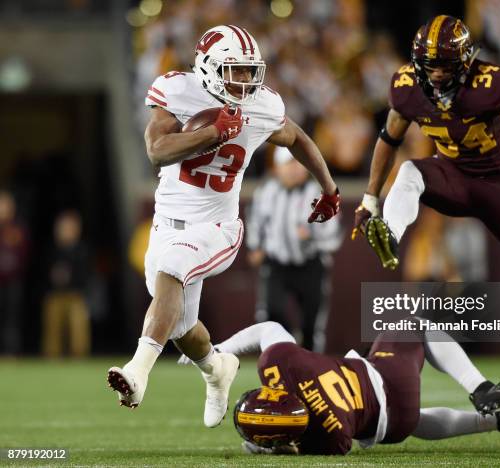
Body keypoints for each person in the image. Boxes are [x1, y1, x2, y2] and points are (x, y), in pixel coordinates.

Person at [107, 25, 340, 429]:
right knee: (181, 327)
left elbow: (296, 137)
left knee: (172, 272)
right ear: (209, 67)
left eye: (251, 71)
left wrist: (329, 187)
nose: (246, 81)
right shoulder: (178, 90)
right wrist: (213, 133)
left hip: (217, 226)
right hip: (166, 224)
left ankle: (138, 371)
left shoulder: (262, 105)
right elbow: (156, 152)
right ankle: (217, 369)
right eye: (236, 70)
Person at [352, 15, 500, 336]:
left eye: (445, 65)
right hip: (449, 176)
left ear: (466, 61)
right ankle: (389, 234)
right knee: (410, 170)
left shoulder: (489, 84)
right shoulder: (406, 87)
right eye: (429, 64)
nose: (436, 73)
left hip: (496, 184)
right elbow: (389, 138)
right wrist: (369, 200)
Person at [181, 321, 500, 455]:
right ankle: (482, 389)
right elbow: (267, 329)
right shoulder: (279, 365)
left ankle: (499, 422)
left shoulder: (326, 437)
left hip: (392, 425)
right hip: (384, 375)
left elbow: (299, 441)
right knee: (410, 324)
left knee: (412, 420)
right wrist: (218, 350)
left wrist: (269, 447)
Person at [247, 147, 343, 351]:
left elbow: (333, 236)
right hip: (276, 263)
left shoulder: (319, 194)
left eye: (298, 163)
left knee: (311, 323)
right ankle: (283, 353)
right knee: (271, 314)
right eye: (288, 163)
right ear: (278, 168)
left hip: (310, 264)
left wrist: (312, 236)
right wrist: (255, 246)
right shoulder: (266, 192)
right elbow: (255, 222)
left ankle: (310, 366)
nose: (293, 169)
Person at [42, 210, 91, 358]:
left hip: (75, 296)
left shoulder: (82, 250)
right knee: (53, 333)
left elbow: (87, 274)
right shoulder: (51, 250)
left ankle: (78, 359)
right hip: (55, 295)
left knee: (78, 333)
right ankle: (52, 360)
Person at [0, 190, 29, 354]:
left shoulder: (18, 229)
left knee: (11, 320)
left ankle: (10, 352)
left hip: (13, 281)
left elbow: (24, 253)